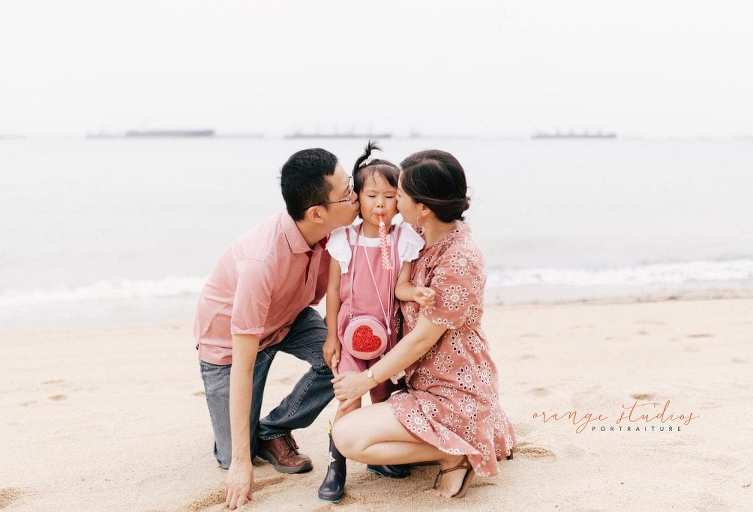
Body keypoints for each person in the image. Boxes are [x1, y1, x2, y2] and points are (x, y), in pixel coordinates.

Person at [331, 149, 516, 499]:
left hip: (453, 390)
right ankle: (465, 440)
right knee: (351, 431)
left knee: (347, 437)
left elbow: (420, 341)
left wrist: (365, 381)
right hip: (420, 383)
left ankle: (460, 449)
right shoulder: (420, 236)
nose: (392, 202)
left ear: (423, 208)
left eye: (399, 194)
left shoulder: (459, 260)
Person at [194, 148, 359, 510]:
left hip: (288, 318)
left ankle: (274, 427)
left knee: (345, 360)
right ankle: (248, 443)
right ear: (317, 212)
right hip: (230, 343)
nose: (357, 197)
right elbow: (243, 364)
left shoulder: (336, 232)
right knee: (235, 454)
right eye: (348, 192)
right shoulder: (261, 261)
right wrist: (240, 465)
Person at [317, 142, 433, 502]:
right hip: (349, 335)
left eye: (389, 196)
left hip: (388, 338)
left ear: (400, 201)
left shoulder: (404, 240)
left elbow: (400, 288)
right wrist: (330, 337)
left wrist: (416, 294)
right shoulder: (343, 239)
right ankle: (336, 463)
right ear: (357, 198)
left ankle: (377, 459)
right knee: (348, 401)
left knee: (383, 398)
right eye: (371, 195)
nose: (380, 204)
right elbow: (333, 291)